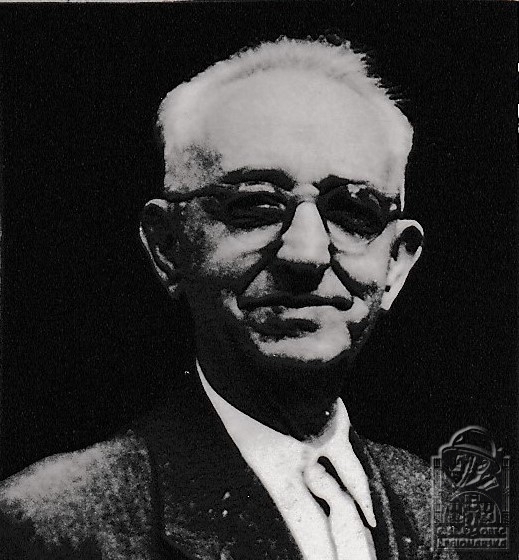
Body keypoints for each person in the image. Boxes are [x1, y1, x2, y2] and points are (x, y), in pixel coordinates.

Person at [0, 37, 457, 560]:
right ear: (169, 246)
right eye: (254, 206)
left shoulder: (447, 509)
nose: (306, 254)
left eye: (354, 212)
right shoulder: (54, 523)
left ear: (396, 263)